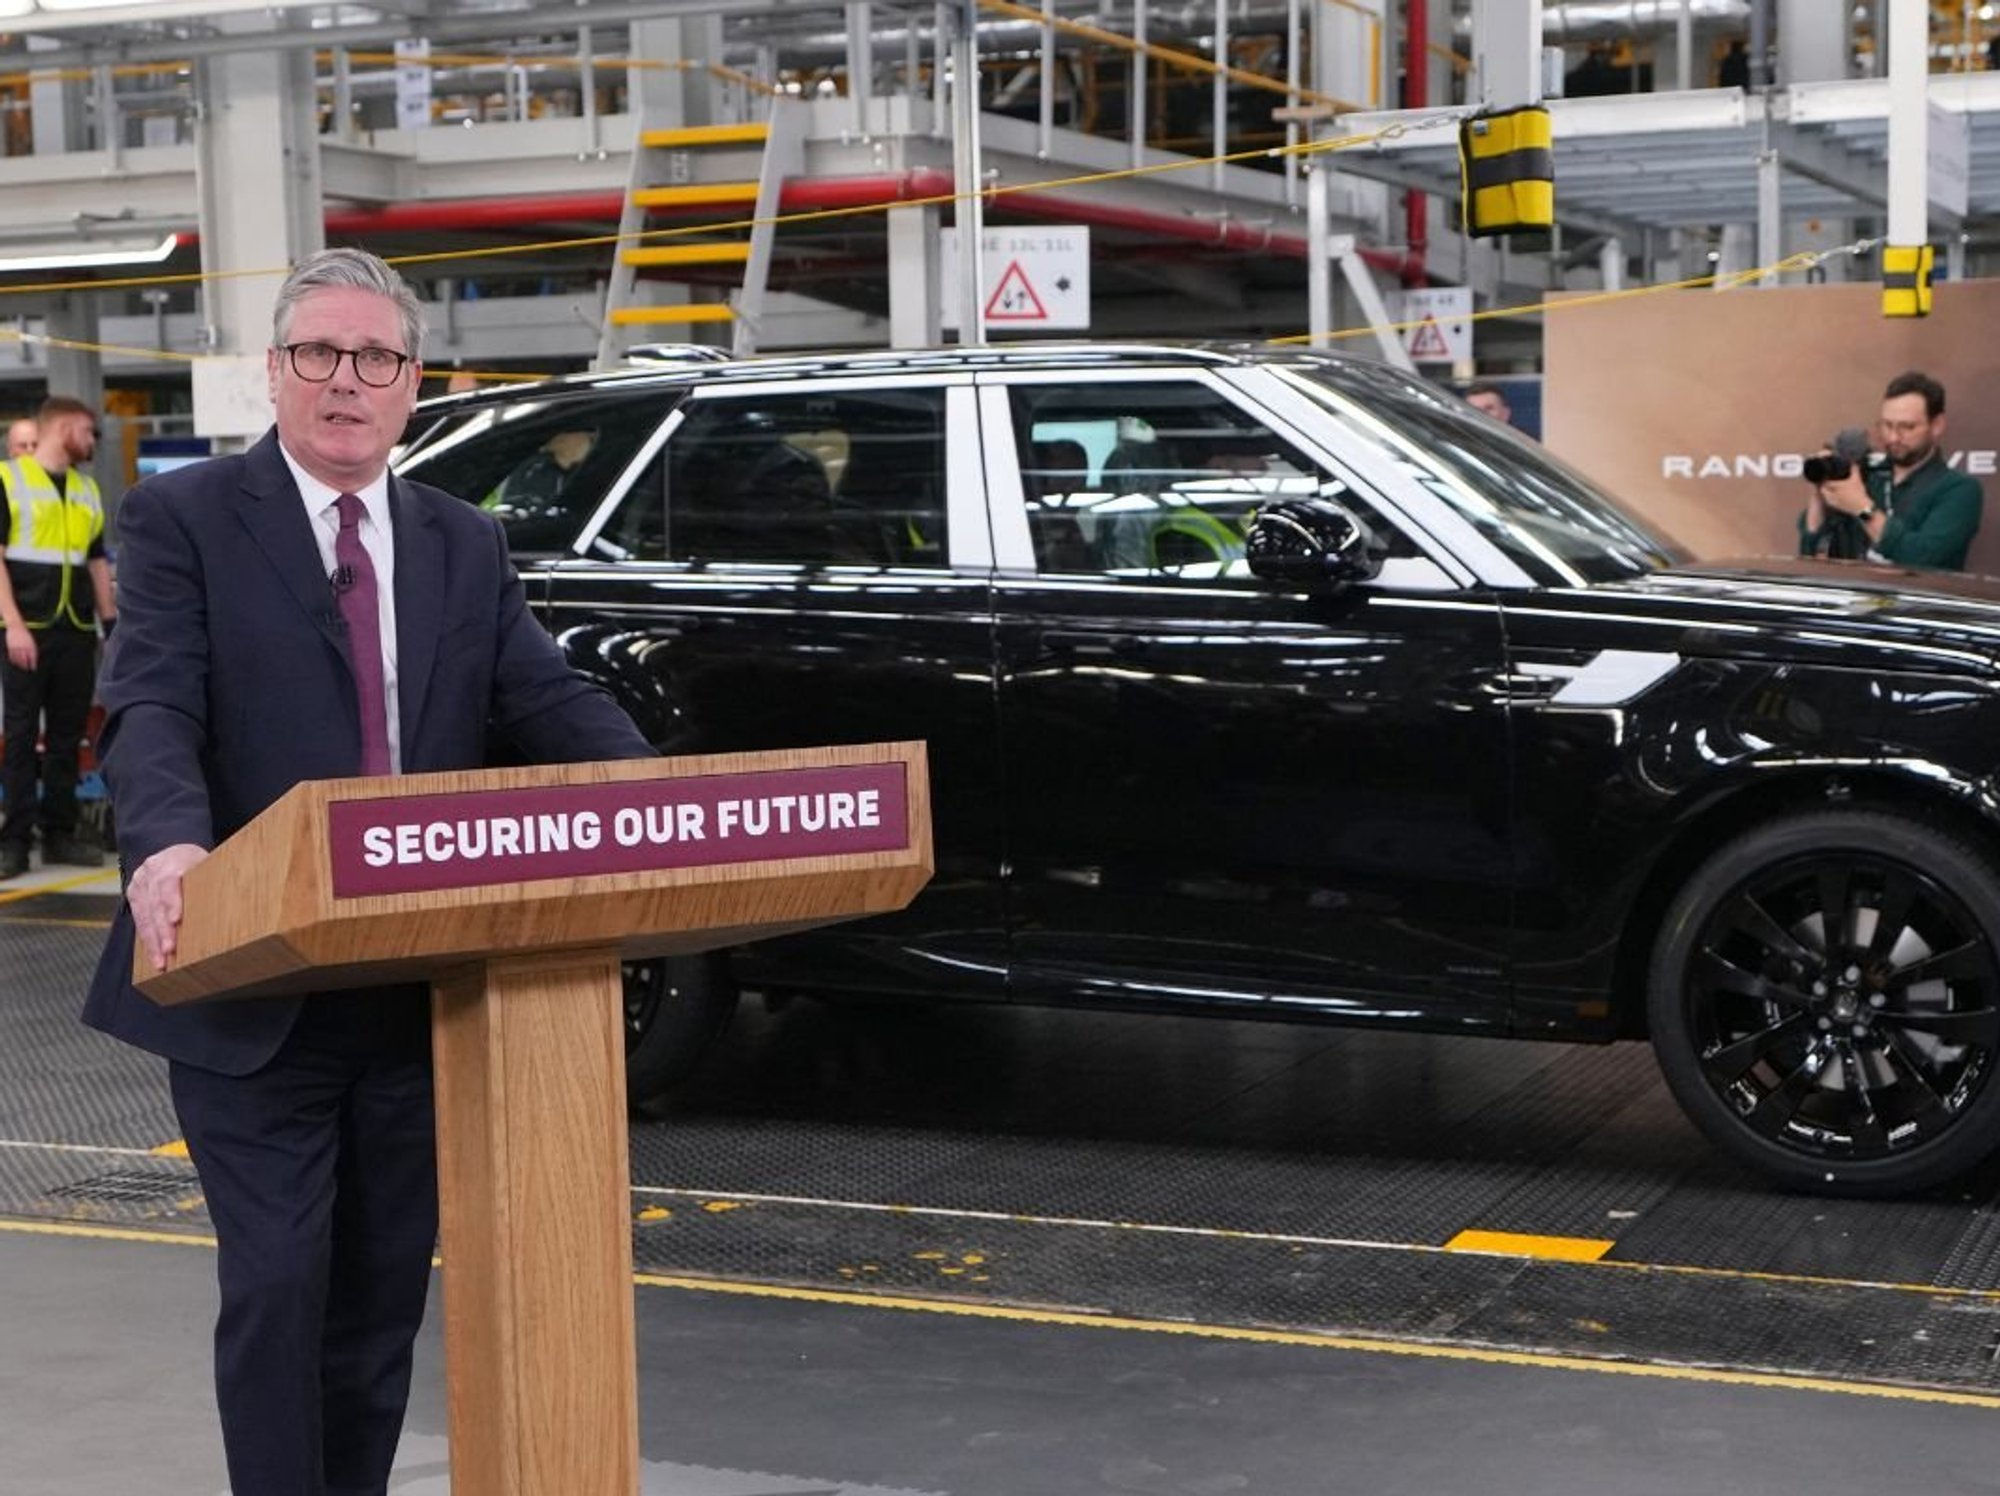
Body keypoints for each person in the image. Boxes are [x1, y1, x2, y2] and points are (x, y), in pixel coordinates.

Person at [81, 248, 653, 1496]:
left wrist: (660, 804)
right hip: (251, 976)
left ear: (412, 384)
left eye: (376, 358)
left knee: (381, 1300)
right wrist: (169, 841)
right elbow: (152, 703)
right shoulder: (180, 519)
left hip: (413, 986)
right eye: (318, 355)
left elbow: (544, 695)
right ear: (275, 374)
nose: (347, 381)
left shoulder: (462, 539)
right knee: (282, 1284)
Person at [0, 395, 114, 880]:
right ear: (64, 426)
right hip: (29, 630)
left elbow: (96, 562)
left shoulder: (87, 489)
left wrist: (112, 625)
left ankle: (61, 833)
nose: (92, 442)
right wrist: (14, 626)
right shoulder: (8, 480)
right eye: (88, 431)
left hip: (74, 630)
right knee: (23, 735)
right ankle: (16, 841)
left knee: (68, 736)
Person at [1800, 369, 1982, 571]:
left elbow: (1923, 557)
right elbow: (1809, 555)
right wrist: (1817, 496)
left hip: (1918, 601)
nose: (1894, 437)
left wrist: (1862, 508)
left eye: (1907, 427)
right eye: (1887, 425)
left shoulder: (1959, 490)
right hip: (1851, 598)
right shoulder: (1863, 476)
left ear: (1937, 425)